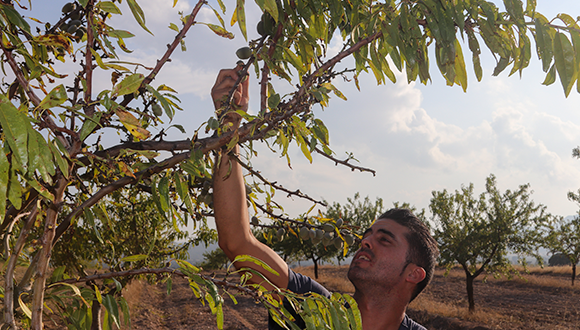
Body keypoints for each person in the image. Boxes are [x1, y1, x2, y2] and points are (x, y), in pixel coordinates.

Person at [211, 66, 439, 330]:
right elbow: (237, 242)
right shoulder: (308, 309)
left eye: (384, 239)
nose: (365, 241)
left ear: (414, 274)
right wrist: (228, 128)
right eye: (368, 234)